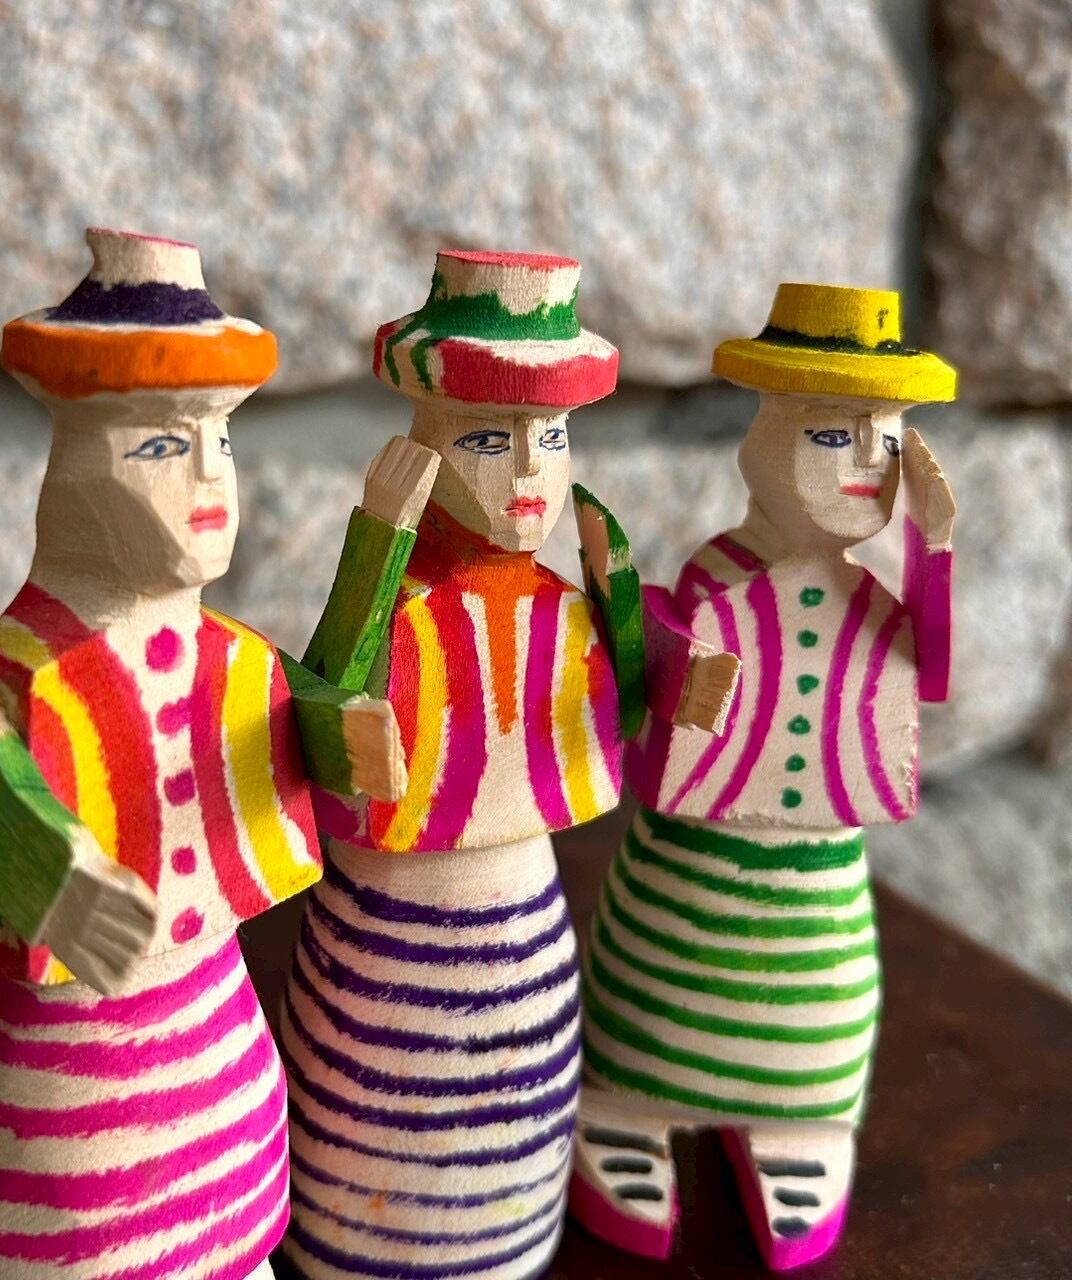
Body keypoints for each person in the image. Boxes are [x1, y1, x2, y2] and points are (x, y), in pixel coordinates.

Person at [0, 228, 404, 1280]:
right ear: (73, 460)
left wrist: (348, 733)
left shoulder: (232, 660)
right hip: (62, 1106)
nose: (209, 477)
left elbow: (293, 728)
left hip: (217, 1049)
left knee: (234, 1222)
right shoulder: (33, 672)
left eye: (220, 439)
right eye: (162, 447)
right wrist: (54, 872)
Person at [279, 249, 733, 1280]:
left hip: (523, 941)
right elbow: (321, 718)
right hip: (382, 948)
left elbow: (628, 684)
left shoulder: (569, 614)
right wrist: (373, 548)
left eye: (552, 436)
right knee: (372, 1124)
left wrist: (675, 669)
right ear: (416, 451)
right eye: (488, 438)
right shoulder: (393, 618)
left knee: (510, 1133)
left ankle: (502, 1243)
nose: (529, 473)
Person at [571, 282, 957, 1270]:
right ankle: (626, 1108)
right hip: (686, 865)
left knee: (812, 1016)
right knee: (652, 995)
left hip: (820, 872)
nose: (862, 467)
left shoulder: (879, 605)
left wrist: (934, 553)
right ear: (762, 438)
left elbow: (930, 671)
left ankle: (798, 1126)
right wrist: (664, 659)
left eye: (882, 442)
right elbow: (648, 654)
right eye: (829, 434)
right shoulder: (716, 579)